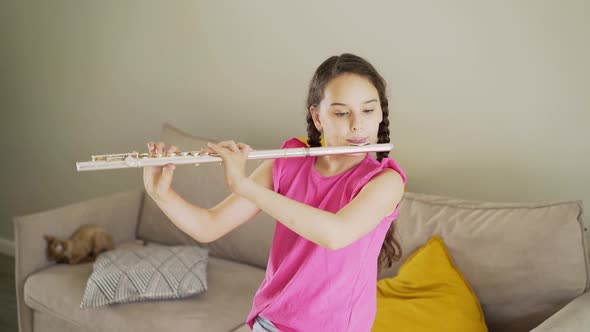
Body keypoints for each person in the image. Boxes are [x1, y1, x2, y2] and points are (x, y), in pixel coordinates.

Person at [143, 53, 407, 332]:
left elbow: (335, 234)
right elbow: (208, 226)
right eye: (342, 113)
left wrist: (244, 185)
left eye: (368, 110)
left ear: (380, 113)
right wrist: (161, 194)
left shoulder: (386, 182)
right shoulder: (288, 162)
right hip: (270, 323)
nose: (357, 124)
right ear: (318, 117)